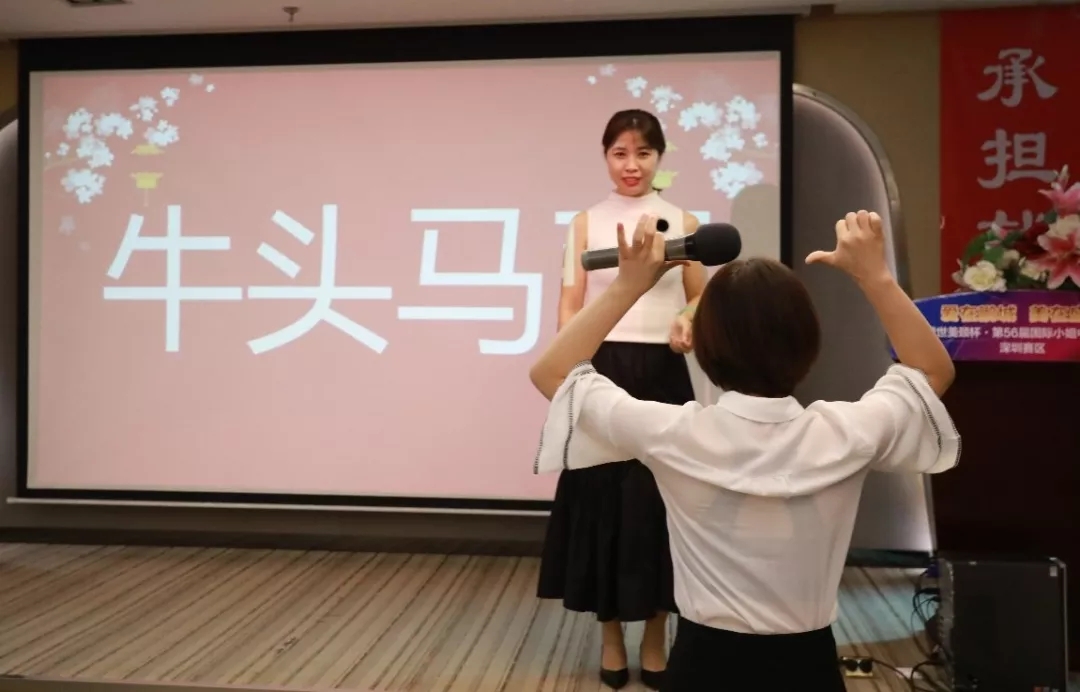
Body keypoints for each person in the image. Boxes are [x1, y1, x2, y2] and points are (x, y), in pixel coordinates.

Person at [529, 210, 960, 690]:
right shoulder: (847, 433)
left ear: (706, 347)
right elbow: (932, 371)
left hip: (700, 668)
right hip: (809, 670)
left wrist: (627, 286)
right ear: (808, 344)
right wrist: (875, 277)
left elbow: (552, 372)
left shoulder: (673, 434)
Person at [536, 109, 708, 690]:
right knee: (600, 502)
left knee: (663, 504)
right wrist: (571, 368)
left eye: (643, 153)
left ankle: (656, 638)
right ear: (606, 156)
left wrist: (688, 318)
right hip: (602, 369)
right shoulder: (585, 224)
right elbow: (570, 302)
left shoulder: (683, 222)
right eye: (619, 153)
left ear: (659, 158)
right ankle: (610, 638)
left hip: (663, 375)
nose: (631, 165)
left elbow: (700, 297)